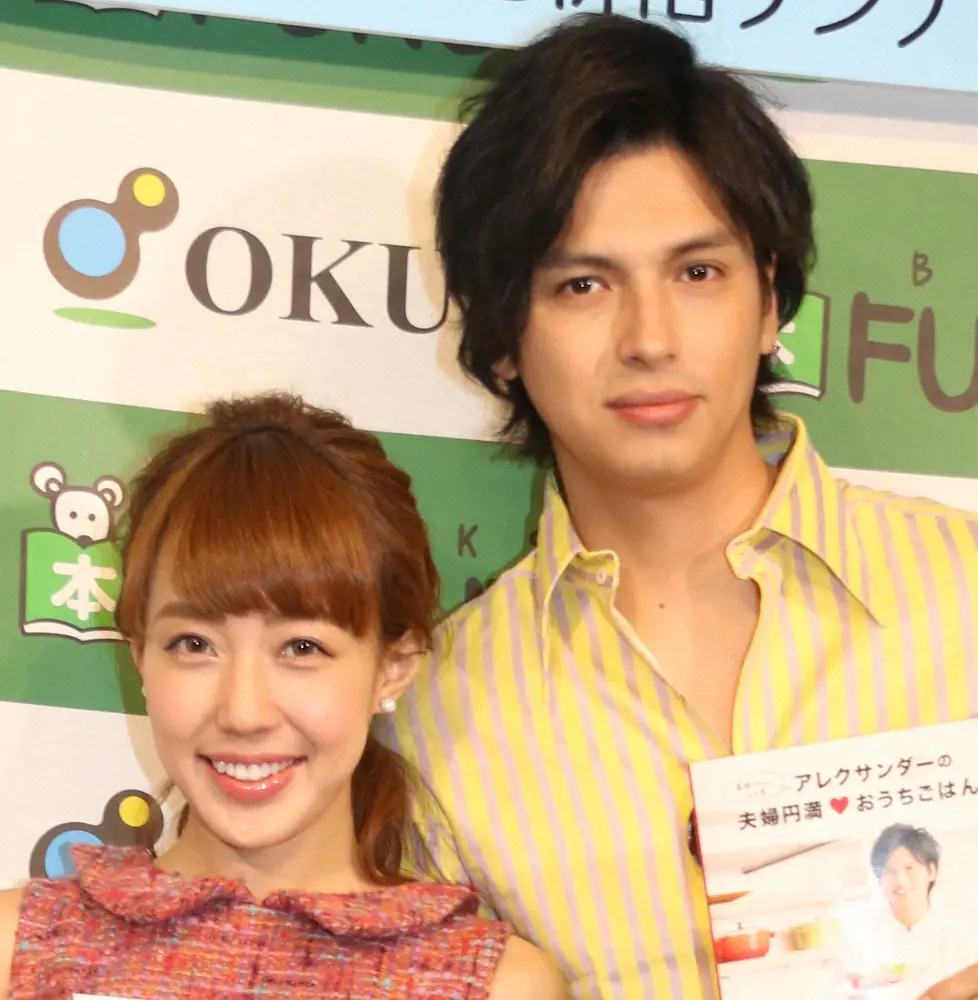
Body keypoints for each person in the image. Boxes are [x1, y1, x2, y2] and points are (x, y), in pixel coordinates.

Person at [378, 12, 978, 1000]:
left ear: (770, 300)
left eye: (698, 273)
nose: (649, 338)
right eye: (582, 285)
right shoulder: (436, 724)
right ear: (500, 338)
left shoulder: (962, 591)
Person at [0, 394, 565, 999]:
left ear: (393, 667)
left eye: (301, 648)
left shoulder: (495, 985)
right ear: (141, 655)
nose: (244, 712)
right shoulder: (19, 948)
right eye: (194, 644)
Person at [841, 826, 977, 1000]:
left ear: (931, 871)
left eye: (909, 868)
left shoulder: (961, 936)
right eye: (890, 871)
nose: (901, 881)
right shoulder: (860, 937)